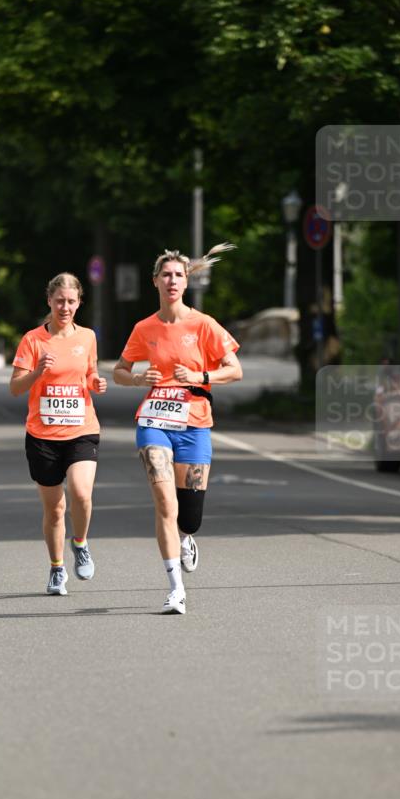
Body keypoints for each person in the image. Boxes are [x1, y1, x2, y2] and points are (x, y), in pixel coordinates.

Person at [112, 243, 242, 614]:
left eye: (178, 275)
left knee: (190, 517)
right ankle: (175, 589)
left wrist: (201, 375)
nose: (172, 280)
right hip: (154, 421)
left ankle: (187, 539)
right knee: (164, 504)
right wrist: (138, 380)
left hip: (195, 423)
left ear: (187, 282)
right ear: (155, 281)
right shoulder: (145, 328)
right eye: (165, 275)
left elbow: (235, 369)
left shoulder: (203, 325)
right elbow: (119, 371)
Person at [9, 272, 107, 596]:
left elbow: (90, 373)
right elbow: (15, 387)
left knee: (81, 493)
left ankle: (80, 543)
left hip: (81, 429)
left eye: (71, 301)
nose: (65, 307)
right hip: (42, 435)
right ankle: (56, 568)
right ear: (49, 301)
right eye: (59, 300)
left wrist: (96, 383)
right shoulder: (33, 340)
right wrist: (38, 372)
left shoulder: (88, 337)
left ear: (79, 302)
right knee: (54, 509)